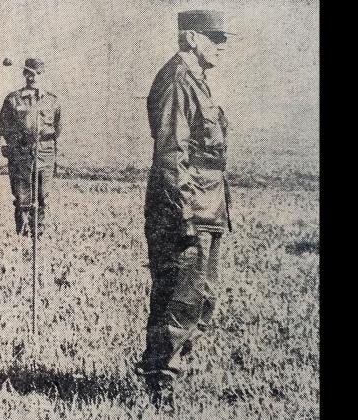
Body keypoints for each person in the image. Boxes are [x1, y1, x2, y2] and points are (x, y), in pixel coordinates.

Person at [135, 9, 235, 410]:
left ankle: (165, 375)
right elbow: (171, 154)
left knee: (202, 299)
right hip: (184, 210)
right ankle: (159, 385)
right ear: (191, 37)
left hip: (207, 207)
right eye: (214, 38)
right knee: (179, 299)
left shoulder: (198, 81)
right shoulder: (177, 79)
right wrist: (185, 217)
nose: (221, 46)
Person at [0, 58, 61, 237]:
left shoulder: (52, 101)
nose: (33, 78)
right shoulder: (13, 99)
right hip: (21, 154)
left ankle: (38, 233)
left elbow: (57, 128)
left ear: (42, 75)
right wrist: (19, 140)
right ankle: (23, 234)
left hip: (45, 154)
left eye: (37, 74)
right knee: (22, 197)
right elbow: (3, 126)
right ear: (24, 74)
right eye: (29, 73)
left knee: (42, 196)